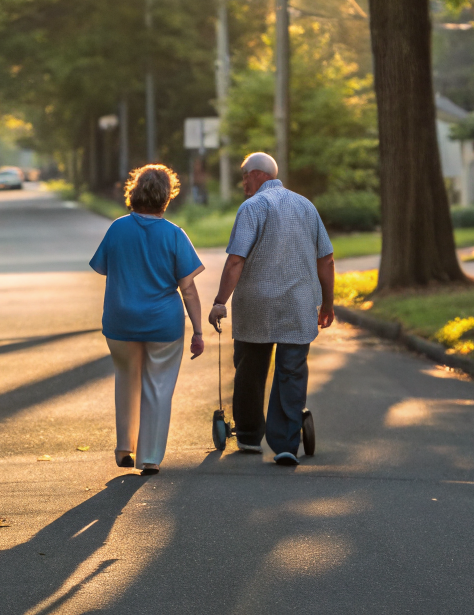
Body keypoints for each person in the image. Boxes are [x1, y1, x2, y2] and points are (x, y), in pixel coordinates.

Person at [209, 152, 335, 466]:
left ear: (258, 175)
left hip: (256, 306)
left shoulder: (252, 208)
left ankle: (250, 437)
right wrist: (328, 303)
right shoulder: (306, 206)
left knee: (250, 371)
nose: (242, 183)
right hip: (298, 304)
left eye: (244, 176)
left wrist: (220, 301)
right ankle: (285, 445)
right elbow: (327, 259)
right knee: (291, 372)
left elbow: (236, 259)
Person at [90, 163, 205, 474]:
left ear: (134, 193)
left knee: (126, 378)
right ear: (167, 197)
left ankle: (124, 448)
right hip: (162, 324)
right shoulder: (175, 235)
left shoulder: (117, 228)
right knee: (157, 387)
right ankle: (149, 457)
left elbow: (102, 267)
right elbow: (189, 290)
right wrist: (198, 331)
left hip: (120, 321)